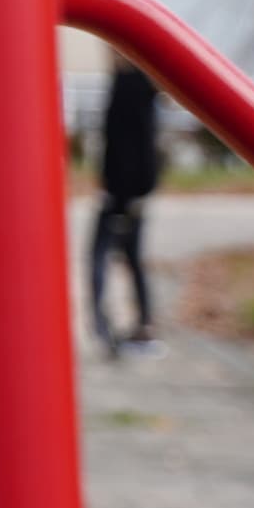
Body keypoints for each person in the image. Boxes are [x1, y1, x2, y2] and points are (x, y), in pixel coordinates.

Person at [90, 60, 164, 355]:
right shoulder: (133, 82)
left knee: (103, 258)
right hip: (125, 192)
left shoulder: (133, 83)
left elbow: (135, 142)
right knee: (128, 259)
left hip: (123, 194)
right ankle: (135, 324)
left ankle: (112, 326)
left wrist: (130, 194)